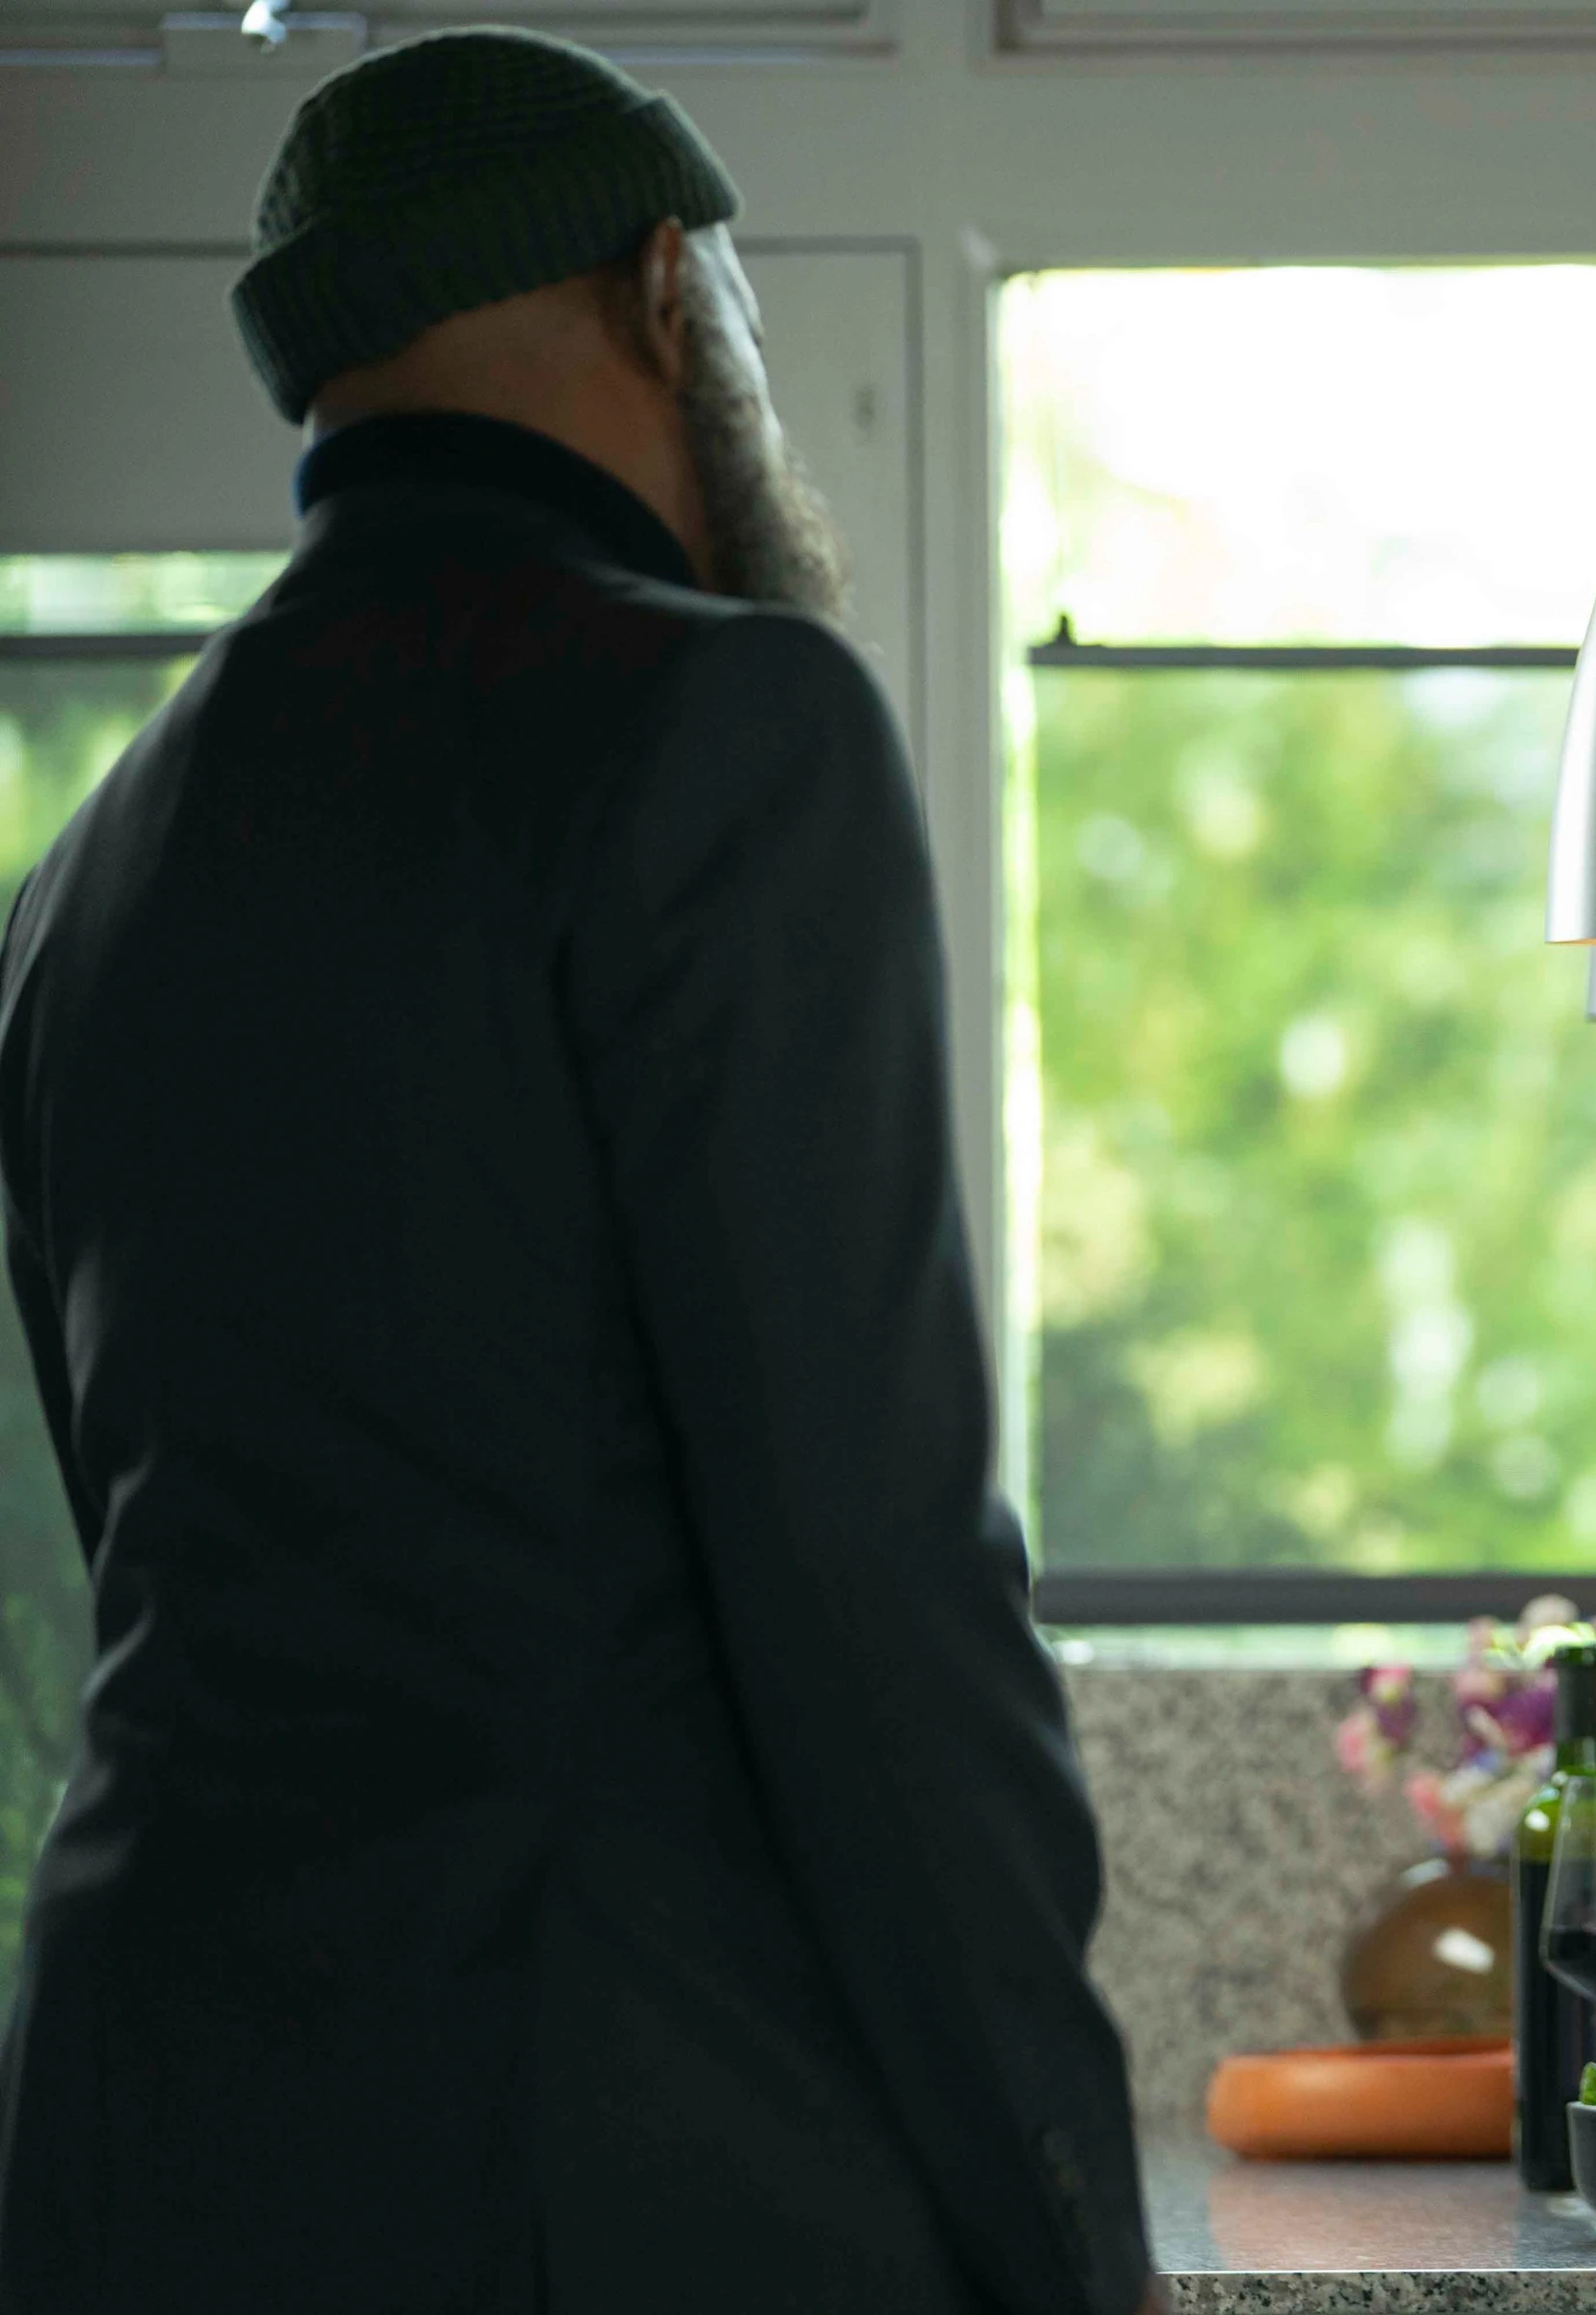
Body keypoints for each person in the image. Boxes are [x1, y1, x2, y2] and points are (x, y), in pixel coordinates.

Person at [0, 30, 1158, 2315]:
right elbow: (873, 1591)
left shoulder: (88, 875)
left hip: (126, 2151)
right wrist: (1065, 2224)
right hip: (599, 2176)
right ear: (665, 291)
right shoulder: (729, 722)